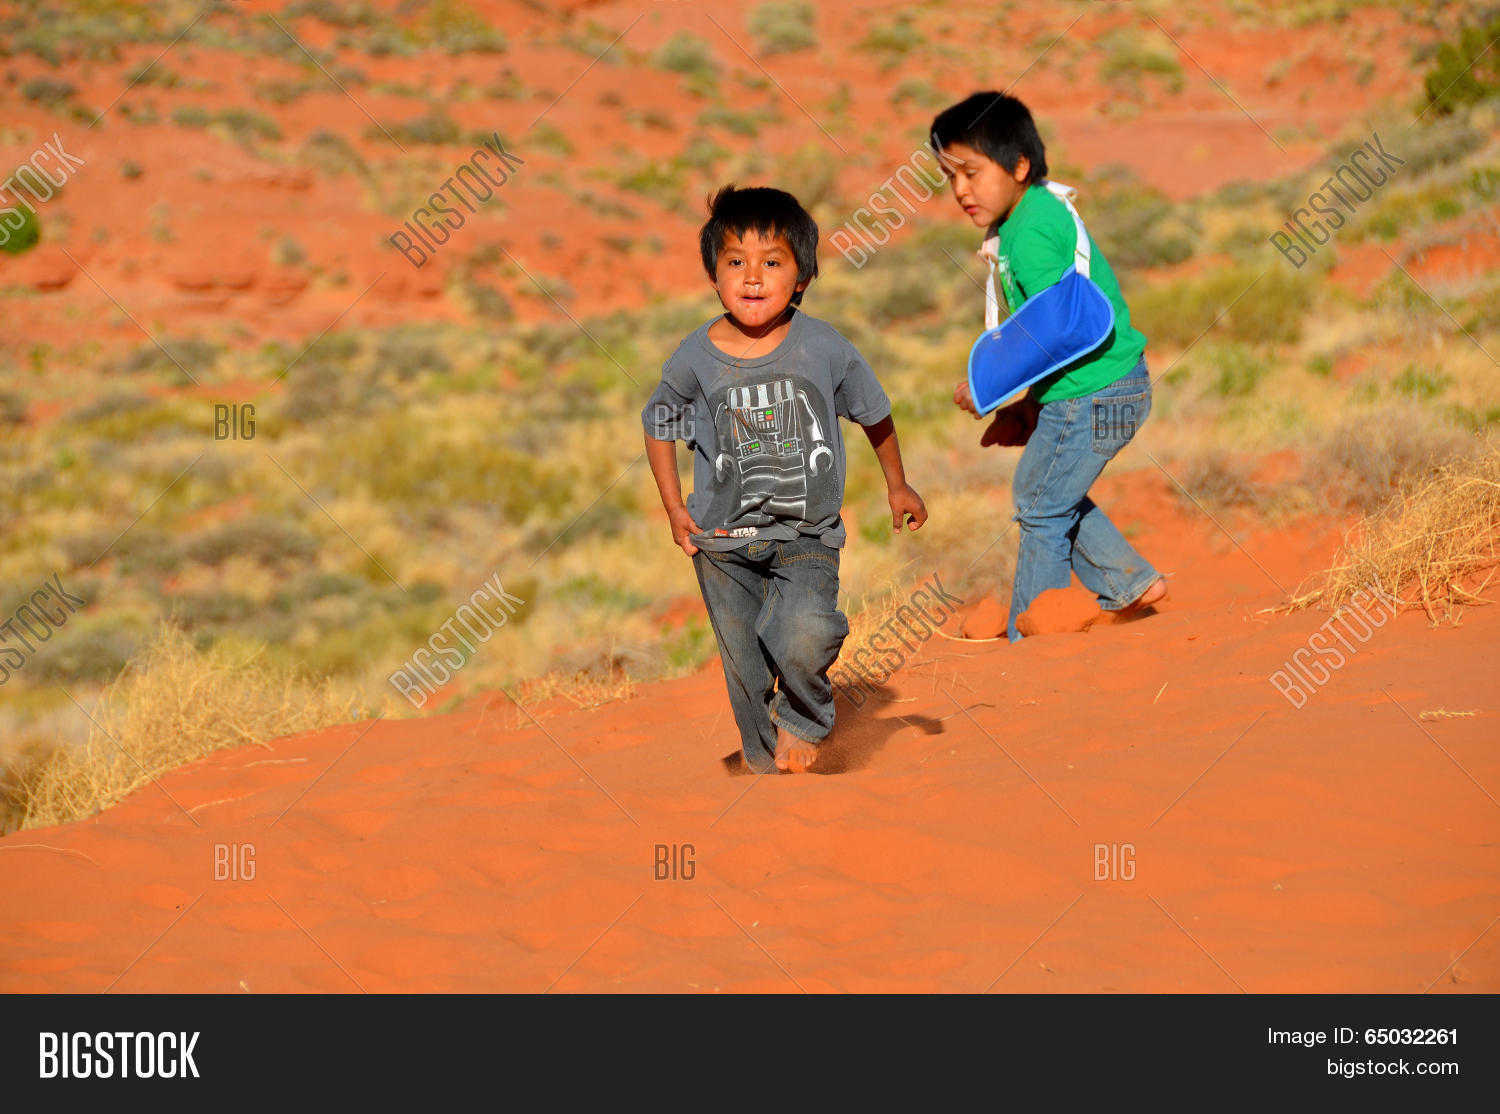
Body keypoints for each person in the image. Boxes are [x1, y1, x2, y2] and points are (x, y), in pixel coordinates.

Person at [642, 186, 927, 773]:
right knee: (744, 663)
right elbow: (659, 426)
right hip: (721, 541)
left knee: (802, 633)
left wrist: (897, 484)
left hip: (806, 534)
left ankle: (804, 719)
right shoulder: (693, 357)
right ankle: (766, 775)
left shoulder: (823, 347)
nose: (752, 277)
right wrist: (674, 507)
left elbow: (874, 412)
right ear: (713, 275)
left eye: (771, 262)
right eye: (735, 263)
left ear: (801, 277)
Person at [931, 91, 1167, 641]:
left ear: (1018, 166)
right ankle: (1130, 583)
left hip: (1094, 394)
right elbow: (1058, 337)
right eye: (950, 176)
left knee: (1039, 504)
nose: (961, 189)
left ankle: (1033, 637)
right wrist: (1031, 407)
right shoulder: (1030, 216)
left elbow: (1053, 329)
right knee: (1049, 497)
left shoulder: (1031, 230)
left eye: (971, 171)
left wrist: (987, 384)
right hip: (1107, 387)